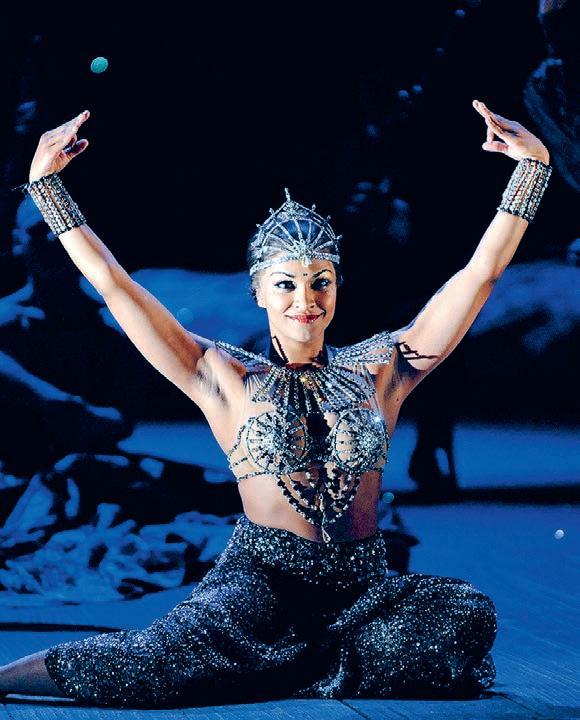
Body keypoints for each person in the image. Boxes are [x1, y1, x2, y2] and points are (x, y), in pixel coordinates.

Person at [0, 99, 551, 707]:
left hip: (361, 590)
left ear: (337, 287)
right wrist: (47, 188)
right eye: (285, 284)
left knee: (465, 613)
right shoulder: (221, 375)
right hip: (262, 584)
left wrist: (531, 171)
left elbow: (478, 277)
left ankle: (281, 663)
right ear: (258, 292)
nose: (305, 301)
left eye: (321, 282)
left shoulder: (382, 370)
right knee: (152, 664)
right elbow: (116, 286)